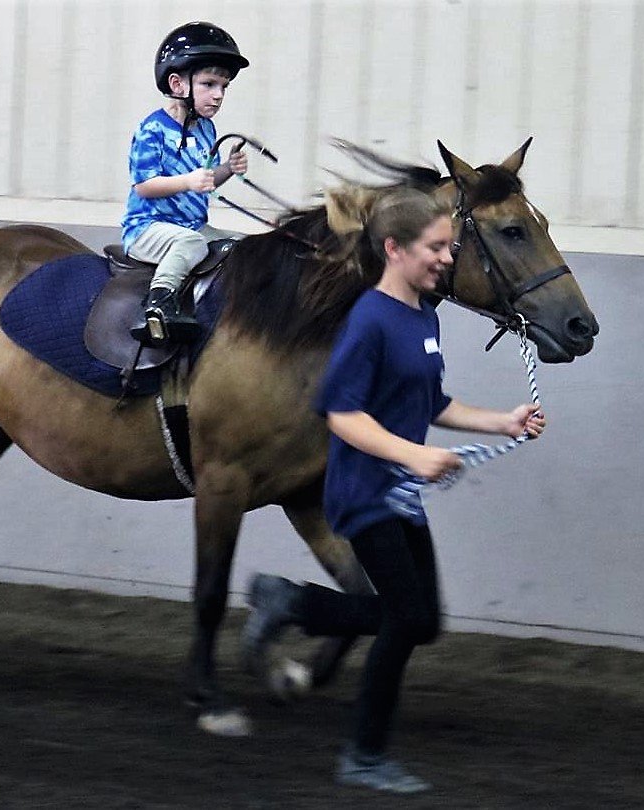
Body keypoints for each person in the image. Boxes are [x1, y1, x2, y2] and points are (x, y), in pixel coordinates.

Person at [241, 189, 546, 793]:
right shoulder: (371, 320)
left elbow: (430, 402)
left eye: (448, 246)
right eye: (435, 247)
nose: (445, 257)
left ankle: (291, 604)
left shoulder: (422, 316)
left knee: (422, 619)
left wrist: (501, 421)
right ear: (394, 250)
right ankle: (364, 754)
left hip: (401, 490)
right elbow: (341, 413)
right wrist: (415, 454)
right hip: (364, 491)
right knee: (405, 619)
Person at [123, 21, 250, 346]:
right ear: (178, 84)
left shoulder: (206, 129)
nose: (219, 95)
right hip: (149, 229)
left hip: (192, 224)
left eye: (224, 86)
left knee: (241, 248)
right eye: (209, 84)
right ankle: (159, 303)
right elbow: (144, 186)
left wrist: (227, 169)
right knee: (190, 246)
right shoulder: (152, 130)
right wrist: (188, 180)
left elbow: (204, 182)